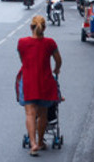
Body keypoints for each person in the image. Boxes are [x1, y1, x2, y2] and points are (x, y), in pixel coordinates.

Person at [16, 15, 62, 156]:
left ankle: (33, 143)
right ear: (44, 28)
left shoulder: (22, 42)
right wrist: (56, 69)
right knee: (43, 114)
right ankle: (41, 142)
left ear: (31, 27)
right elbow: (59, 60)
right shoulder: (50, 43)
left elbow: (22, 60)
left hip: (29, 81)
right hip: (45, 82)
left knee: (30, 114)